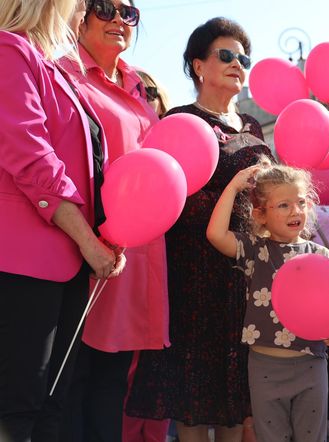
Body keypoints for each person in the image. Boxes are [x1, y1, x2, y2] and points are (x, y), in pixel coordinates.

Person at [126, 17, 273, 442]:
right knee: (191, 401)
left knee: (233, 403)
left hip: (243, 274)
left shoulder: (253, 127)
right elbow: (167, 197)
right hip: (192, 272)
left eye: (243, 58)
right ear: (198, 66)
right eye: (225, 55)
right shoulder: (179, 120)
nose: (237, 64)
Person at [0, 0, 125, 440]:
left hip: (67, 260)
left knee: (53, 404)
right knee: (20, 407)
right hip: (22, 261)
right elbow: (31, 157)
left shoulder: (51, 68)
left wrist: (105, 232)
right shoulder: (7, 50)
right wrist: (88, 240)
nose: (86, 11)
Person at [58, 1, 170, 440]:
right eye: (106, 8)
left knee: (111, 382)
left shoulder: (137, 84)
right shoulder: (61, 72)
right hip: (79, 244)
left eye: (129, 13)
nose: (120, 20)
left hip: (134, 252)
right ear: (79, 14)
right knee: (71, 381)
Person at [206, 161, 329, 441]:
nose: (296, 211)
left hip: (310, 364)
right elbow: (215, 234)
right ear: (260, 215)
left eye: (301, 202)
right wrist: (234, 186)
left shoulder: (320, 255)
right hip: (265, 366)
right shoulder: (255, 251)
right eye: (283, 205)